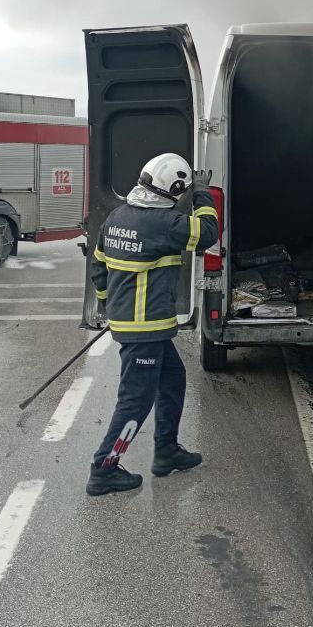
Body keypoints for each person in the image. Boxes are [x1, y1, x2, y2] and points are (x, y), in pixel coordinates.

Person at [86, 153, 219, 497]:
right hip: (145, 329)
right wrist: (203, 193)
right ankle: (104, 468)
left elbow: (98, 266)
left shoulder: (117, 217)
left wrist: (106, 302)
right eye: (184, 190)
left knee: (173, 379)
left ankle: (166, 451)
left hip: (137, 326)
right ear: (173, 188)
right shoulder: (163, 223)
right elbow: (207, 234)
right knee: (136, 401)